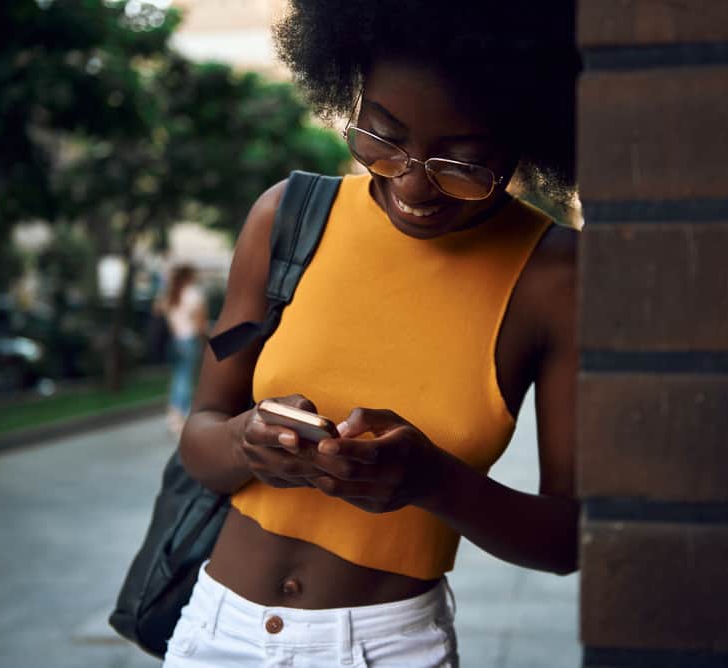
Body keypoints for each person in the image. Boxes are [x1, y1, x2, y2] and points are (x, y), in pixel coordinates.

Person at [168, 1, 578, 665]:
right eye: (383, 139)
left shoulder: (555, 276)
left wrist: (432, 483)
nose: (414, 184)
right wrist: (247, 445)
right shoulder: (286, 220)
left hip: (388, 647)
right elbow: (201, 431)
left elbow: (568, 541)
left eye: (463, 163)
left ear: (523, 138)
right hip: (216, 633)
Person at [160, 263, 208, 436]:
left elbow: (163, 313)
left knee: (178, 376)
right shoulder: (192, 293)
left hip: (176, 340)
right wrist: (204, 339)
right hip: (190, 340)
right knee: (187, 377)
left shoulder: (173, 294)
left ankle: (174, 415)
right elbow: (200, 322)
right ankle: (184, 416)